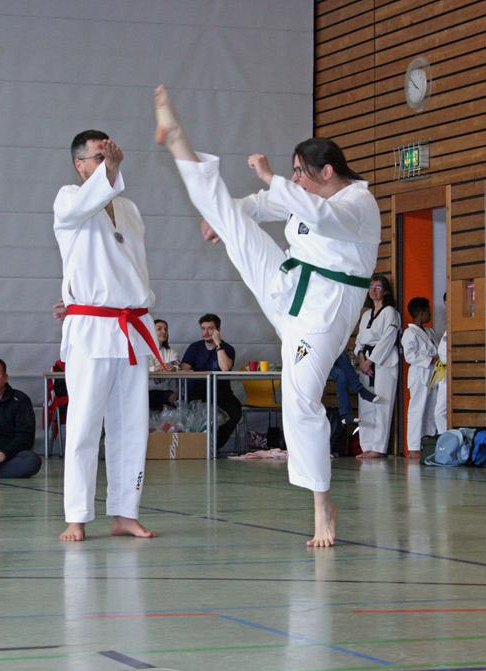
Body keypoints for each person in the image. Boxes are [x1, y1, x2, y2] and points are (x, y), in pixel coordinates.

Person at [155, 85, 380, 547]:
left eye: (300, 171)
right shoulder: (301, 195)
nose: (294, 179)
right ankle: (178, 142)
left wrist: (272, 177)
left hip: (323, 309)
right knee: (233, 222)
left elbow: (319, 216)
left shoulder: (359, 204)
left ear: (327, 171)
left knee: (299, 400)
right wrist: (230, 214)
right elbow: (261, 206)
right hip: (288, 283)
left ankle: (322, 504)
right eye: (292, 172)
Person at [52, 129, 163, 542]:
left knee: (131, 425)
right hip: (92, 328)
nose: (106, 162)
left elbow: (132, 269)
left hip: (131, 326)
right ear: (80, 165)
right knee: (84, 424)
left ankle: (124, 513)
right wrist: (109, 173)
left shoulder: (129, 209)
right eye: (98, 157)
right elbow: (86, 205)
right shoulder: (68, 199)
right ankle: (77, 516)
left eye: (110, 155)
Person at [354, 275, 401, 459]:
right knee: (365, 403)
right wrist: (361, 358)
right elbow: (359, 340)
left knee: (382, 404)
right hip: (365, 361)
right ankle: (366, 445)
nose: (374, 290)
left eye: (378, 287)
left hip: (384, 363)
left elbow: (388, 339)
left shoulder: (390, 312)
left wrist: (371, 361)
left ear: (386, 291)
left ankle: (379, 447)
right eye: (371, 286)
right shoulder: (366, 315)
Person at [179, 314, 242, 451]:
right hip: (196, 392)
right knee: (192, 414)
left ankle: (214, 446)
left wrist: (218, 344)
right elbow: (184, 368)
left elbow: (225, 368)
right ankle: (195, 448)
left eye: (210, 329)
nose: (206, 332)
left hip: (221, 394)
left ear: (218, 330)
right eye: (203, 328)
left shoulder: (227, 348)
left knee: (235, 412)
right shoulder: (194, 347)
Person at [401, 297, 438, 459]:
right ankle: (414, 447)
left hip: (433, 374)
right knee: (417, 410)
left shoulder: (430, 332)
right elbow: (409, 355)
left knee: (431, 410)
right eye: (428, 311)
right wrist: (430, 359)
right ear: (421, 313)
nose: (430, 314)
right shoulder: (409, 332)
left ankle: (428, 444)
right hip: (419, 374)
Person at [327, 348, 378, 455]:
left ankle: (345, 414)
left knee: (341, 374)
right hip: (313, 359)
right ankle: (360, 389)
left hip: (327, 357)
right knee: (340, 357)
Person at [149, 319, 180, 410]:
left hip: (167, 392)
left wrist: (171, 368)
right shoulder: (143, 352)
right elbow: (141, 369)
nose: (164, 331)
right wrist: (155, 369)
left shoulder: (171, 352)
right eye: (159, 329)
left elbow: (177, 365)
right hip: (146, 392)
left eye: (165, 329)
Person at [434, 328, 448, 433]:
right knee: (439, 413)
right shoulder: (448, 330)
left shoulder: (456, 327)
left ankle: (447, 438)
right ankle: (445, 438)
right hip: (444, 373)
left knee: (439, 413)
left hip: (450, 373)